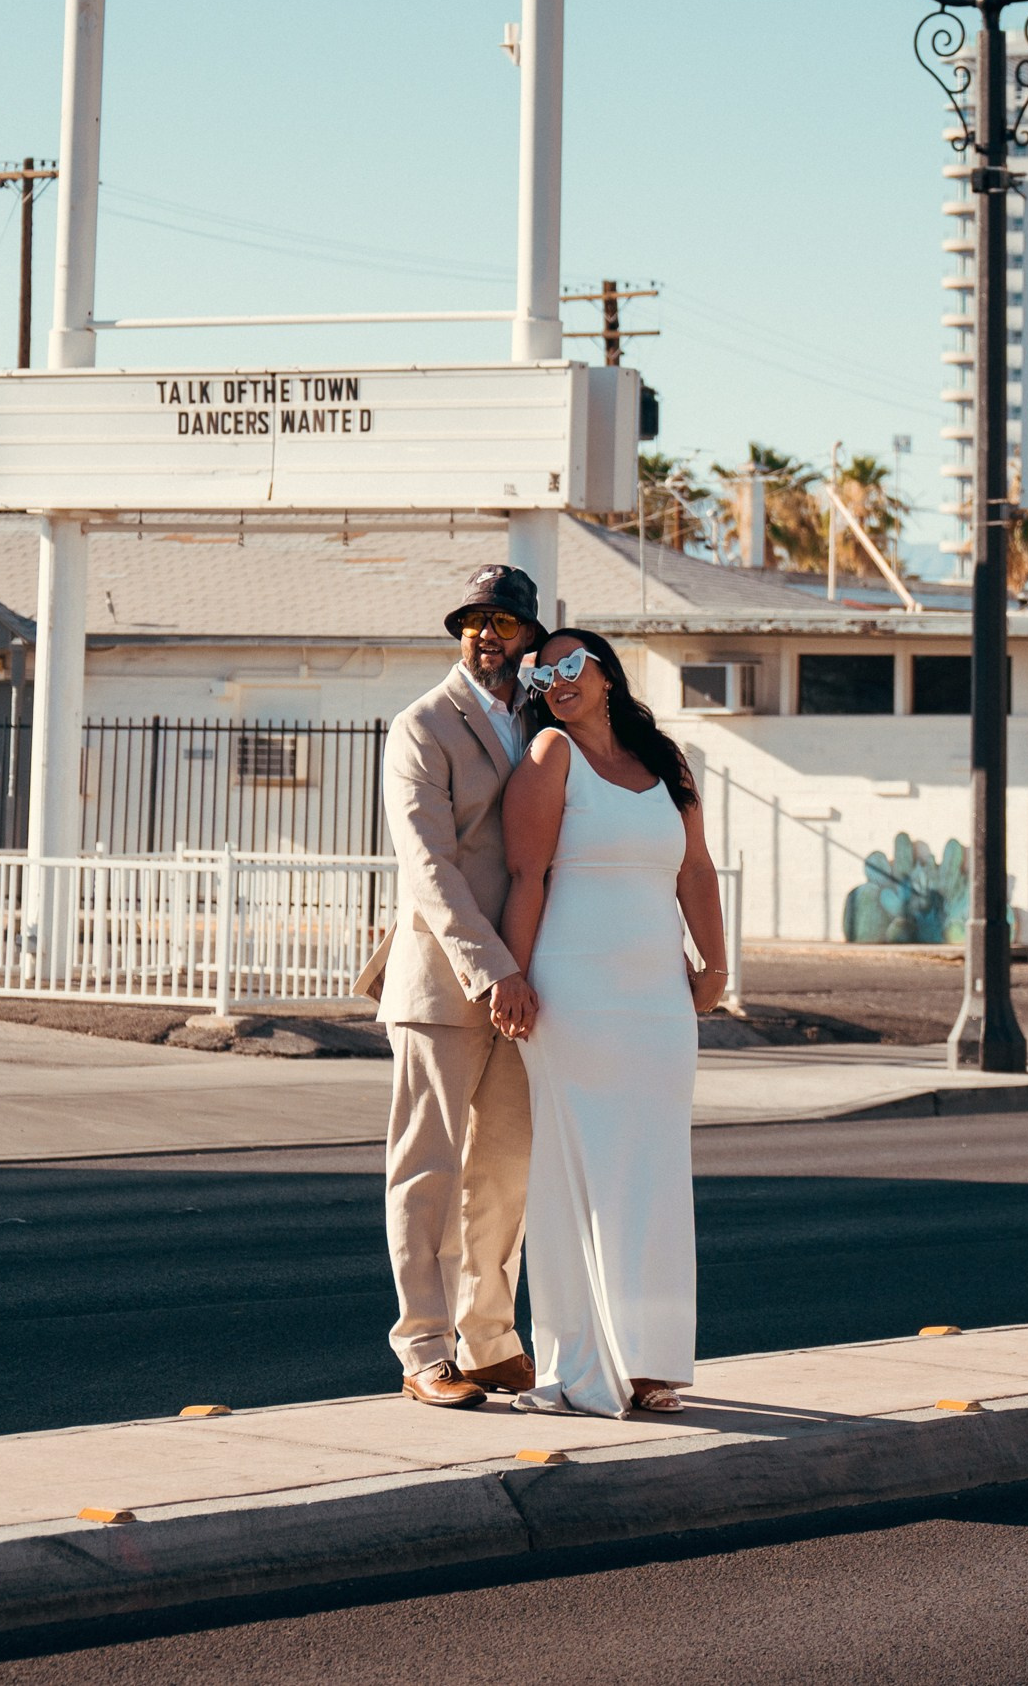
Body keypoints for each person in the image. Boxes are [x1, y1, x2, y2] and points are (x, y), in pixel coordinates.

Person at [500, 626, 728, 1418]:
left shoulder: (667, 761)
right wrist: (513, 979)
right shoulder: (549, 758)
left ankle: (652, 1362)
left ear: (605, 674)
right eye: (542, 673)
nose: (556, 681)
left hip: (659, 999)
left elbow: (695, 870)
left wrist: (716, 967)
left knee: (656, 1171)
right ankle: (582, 1366)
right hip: (573, 995)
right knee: (576, 1177)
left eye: (570, 665)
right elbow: (526, 877)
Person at [375, 563, 547, 1408]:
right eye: (474, 621)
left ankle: (488, 1339)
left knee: (505, 1173)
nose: (487, 634)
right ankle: (424, 1351)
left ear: (529, 637)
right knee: (427, 1172)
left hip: (528, 991)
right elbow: (430, 869)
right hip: (446, 986)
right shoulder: (422, 726)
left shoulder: (545, 719)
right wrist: (496, 971)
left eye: (504, 623)